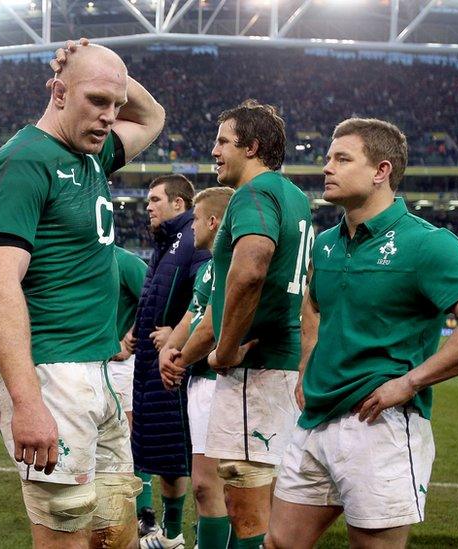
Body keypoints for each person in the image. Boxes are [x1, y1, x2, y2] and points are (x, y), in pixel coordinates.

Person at [265, 119, 458, 548]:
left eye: (342, 159)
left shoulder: (425, 243)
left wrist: (411, 381)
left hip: (379, 425)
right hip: (315, 420)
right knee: (279, 543)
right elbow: (314, 304)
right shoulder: (325, 244)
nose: (327, 168)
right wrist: (307, 363)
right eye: (328, 158)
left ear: (381, 171)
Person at [0, 38, 164, 547]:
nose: (109, 116)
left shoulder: (92, 156)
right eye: (96, 102)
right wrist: (26, 403)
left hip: (98, 369)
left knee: (114, 531)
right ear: (57, 93)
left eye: (115, 104)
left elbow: (152, 117)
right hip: (52, 374)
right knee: (65, 535)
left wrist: (99, 64)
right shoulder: (24, 161)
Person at [159, 99, 311, 549]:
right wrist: (187, 356)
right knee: (254, 501)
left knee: (246, 510)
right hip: (274, 365)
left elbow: (249, 271)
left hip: (255, 371)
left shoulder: (254, 194)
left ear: (254, 146)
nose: (215, 151)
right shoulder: (295, 196)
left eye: (223, 141)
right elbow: (225, 302)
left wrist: (223, 351)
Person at [132, 174, 210, 549]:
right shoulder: (166, 242)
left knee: (198, 465)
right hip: (153, 366)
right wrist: (137, 329)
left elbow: (205, 297)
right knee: (166, 459)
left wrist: (177, 337)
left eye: (155, 199)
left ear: (179, 204)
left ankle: (198, 535)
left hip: (179, 367)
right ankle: (173, 534)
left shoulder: (194, 240)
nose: (148, 206)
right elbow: (155, 296)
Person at [157, 186, 236, 549]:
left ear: (213, 220)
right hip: (202, 381)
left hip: (225, 380)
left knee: (219, 487)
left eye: (195, 223)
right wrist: (171, 351)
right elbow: (193, 316)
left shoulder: (236, 261)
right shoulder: (211, 268)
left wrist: (180, 358)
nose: (190, 231)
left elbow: (209, 325)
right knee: (208, 486)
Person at [109, 245, 147, 428]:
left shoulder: (126, 262)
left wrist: (131, 337)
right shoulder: (77, 262)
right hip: (83, 364)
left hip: (119, 367)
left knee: (125, 435)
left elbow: (155, 302)